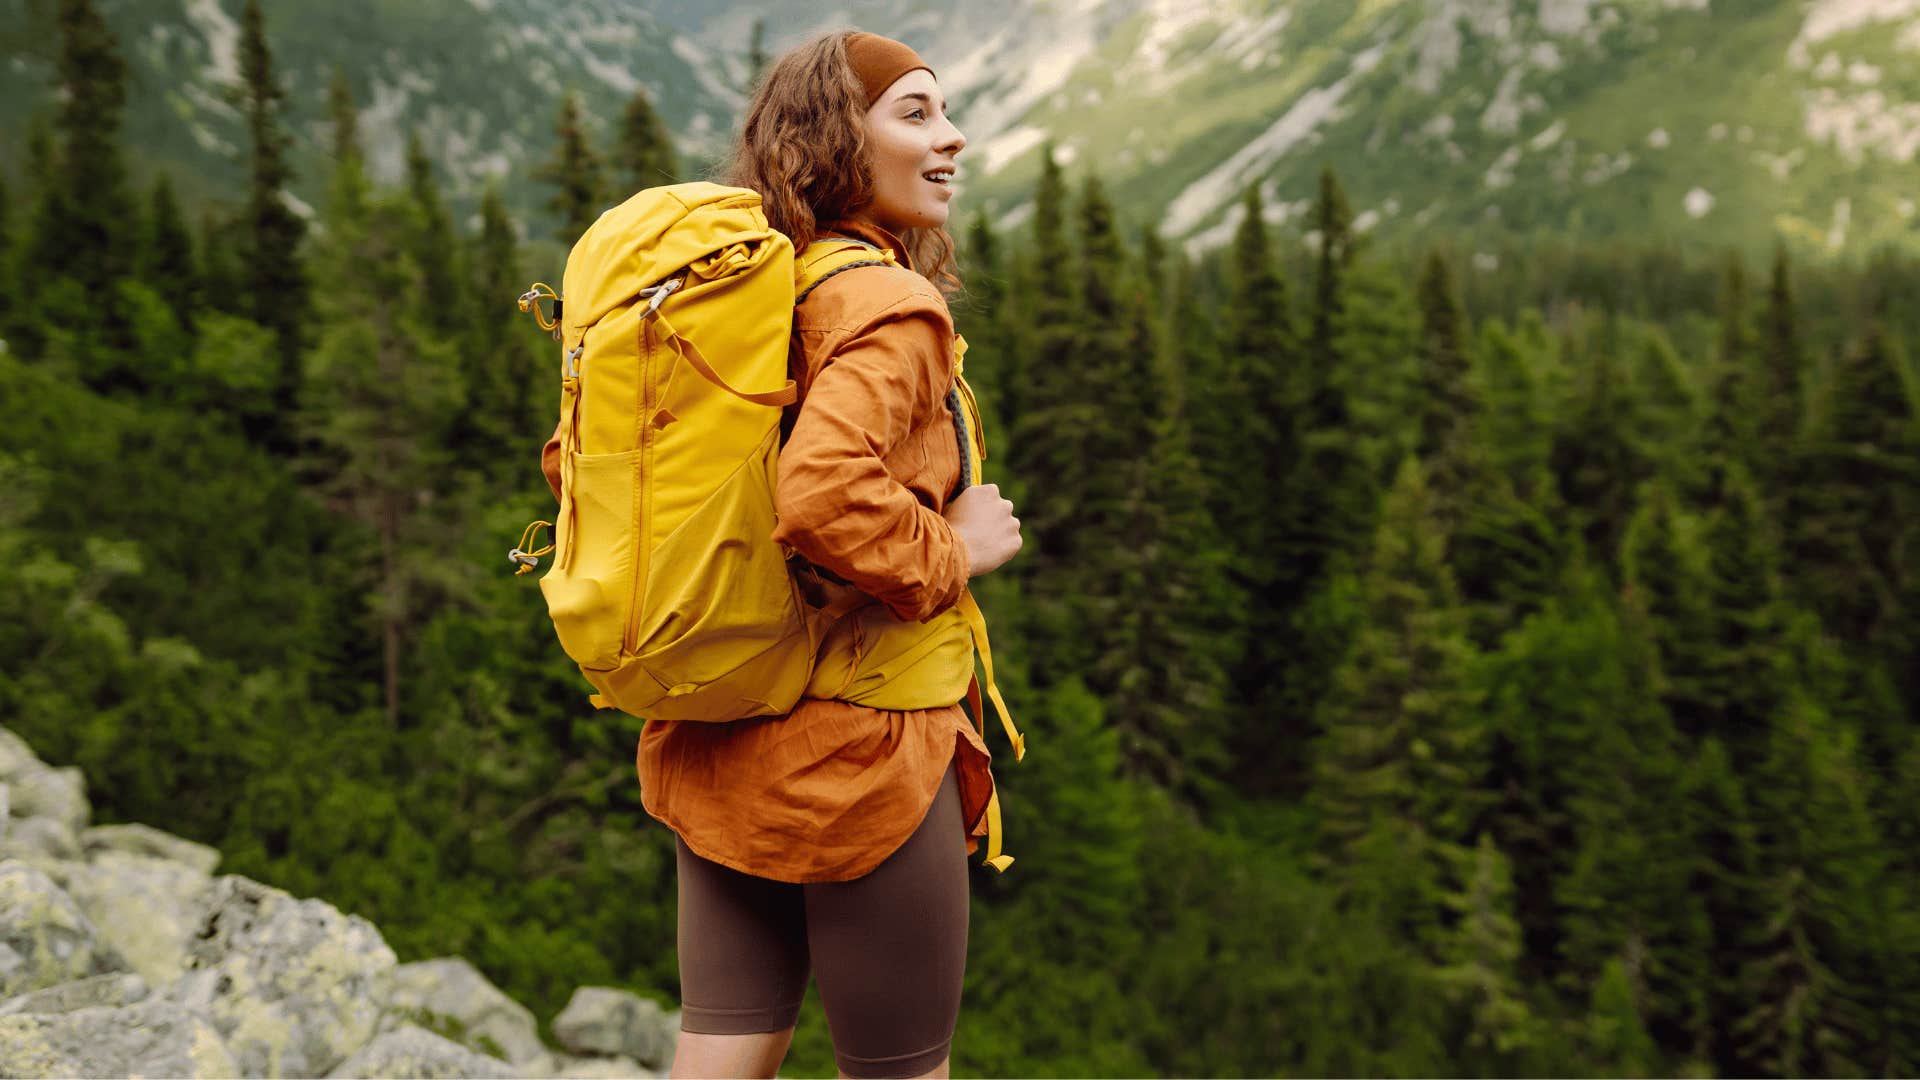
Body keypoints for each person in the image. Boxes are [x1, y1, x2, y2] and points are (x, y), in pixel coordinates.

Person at [540, 28, 1023, 1080]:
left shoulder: (755, 291)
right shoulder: (888, 305)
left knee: (723, 1047)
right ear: (837, 140)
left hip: (722, 725)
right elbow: (820, 494)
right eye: (917, 115)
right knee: (900, 1069)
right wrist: (955, 549)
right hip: (864, 753)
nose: (953, 137)